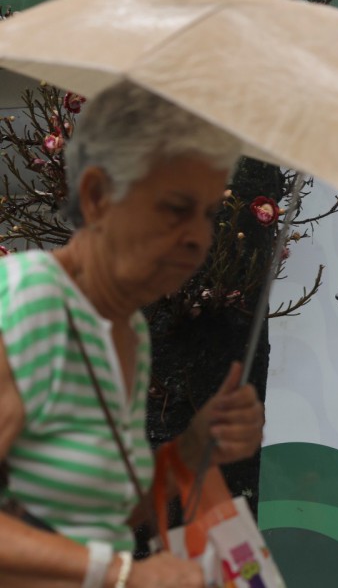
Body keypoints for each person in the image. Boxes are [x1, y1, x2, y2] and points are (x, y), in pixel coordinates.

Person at [0, 84, 266, 588]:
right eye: (174, 208)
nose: (197, 238)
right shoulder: (29, 303)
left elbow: (99, 516)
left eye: (208, 214)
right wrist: (120, 573)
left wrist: (192, 449)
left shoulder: (128, 332)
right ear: (98, 196)